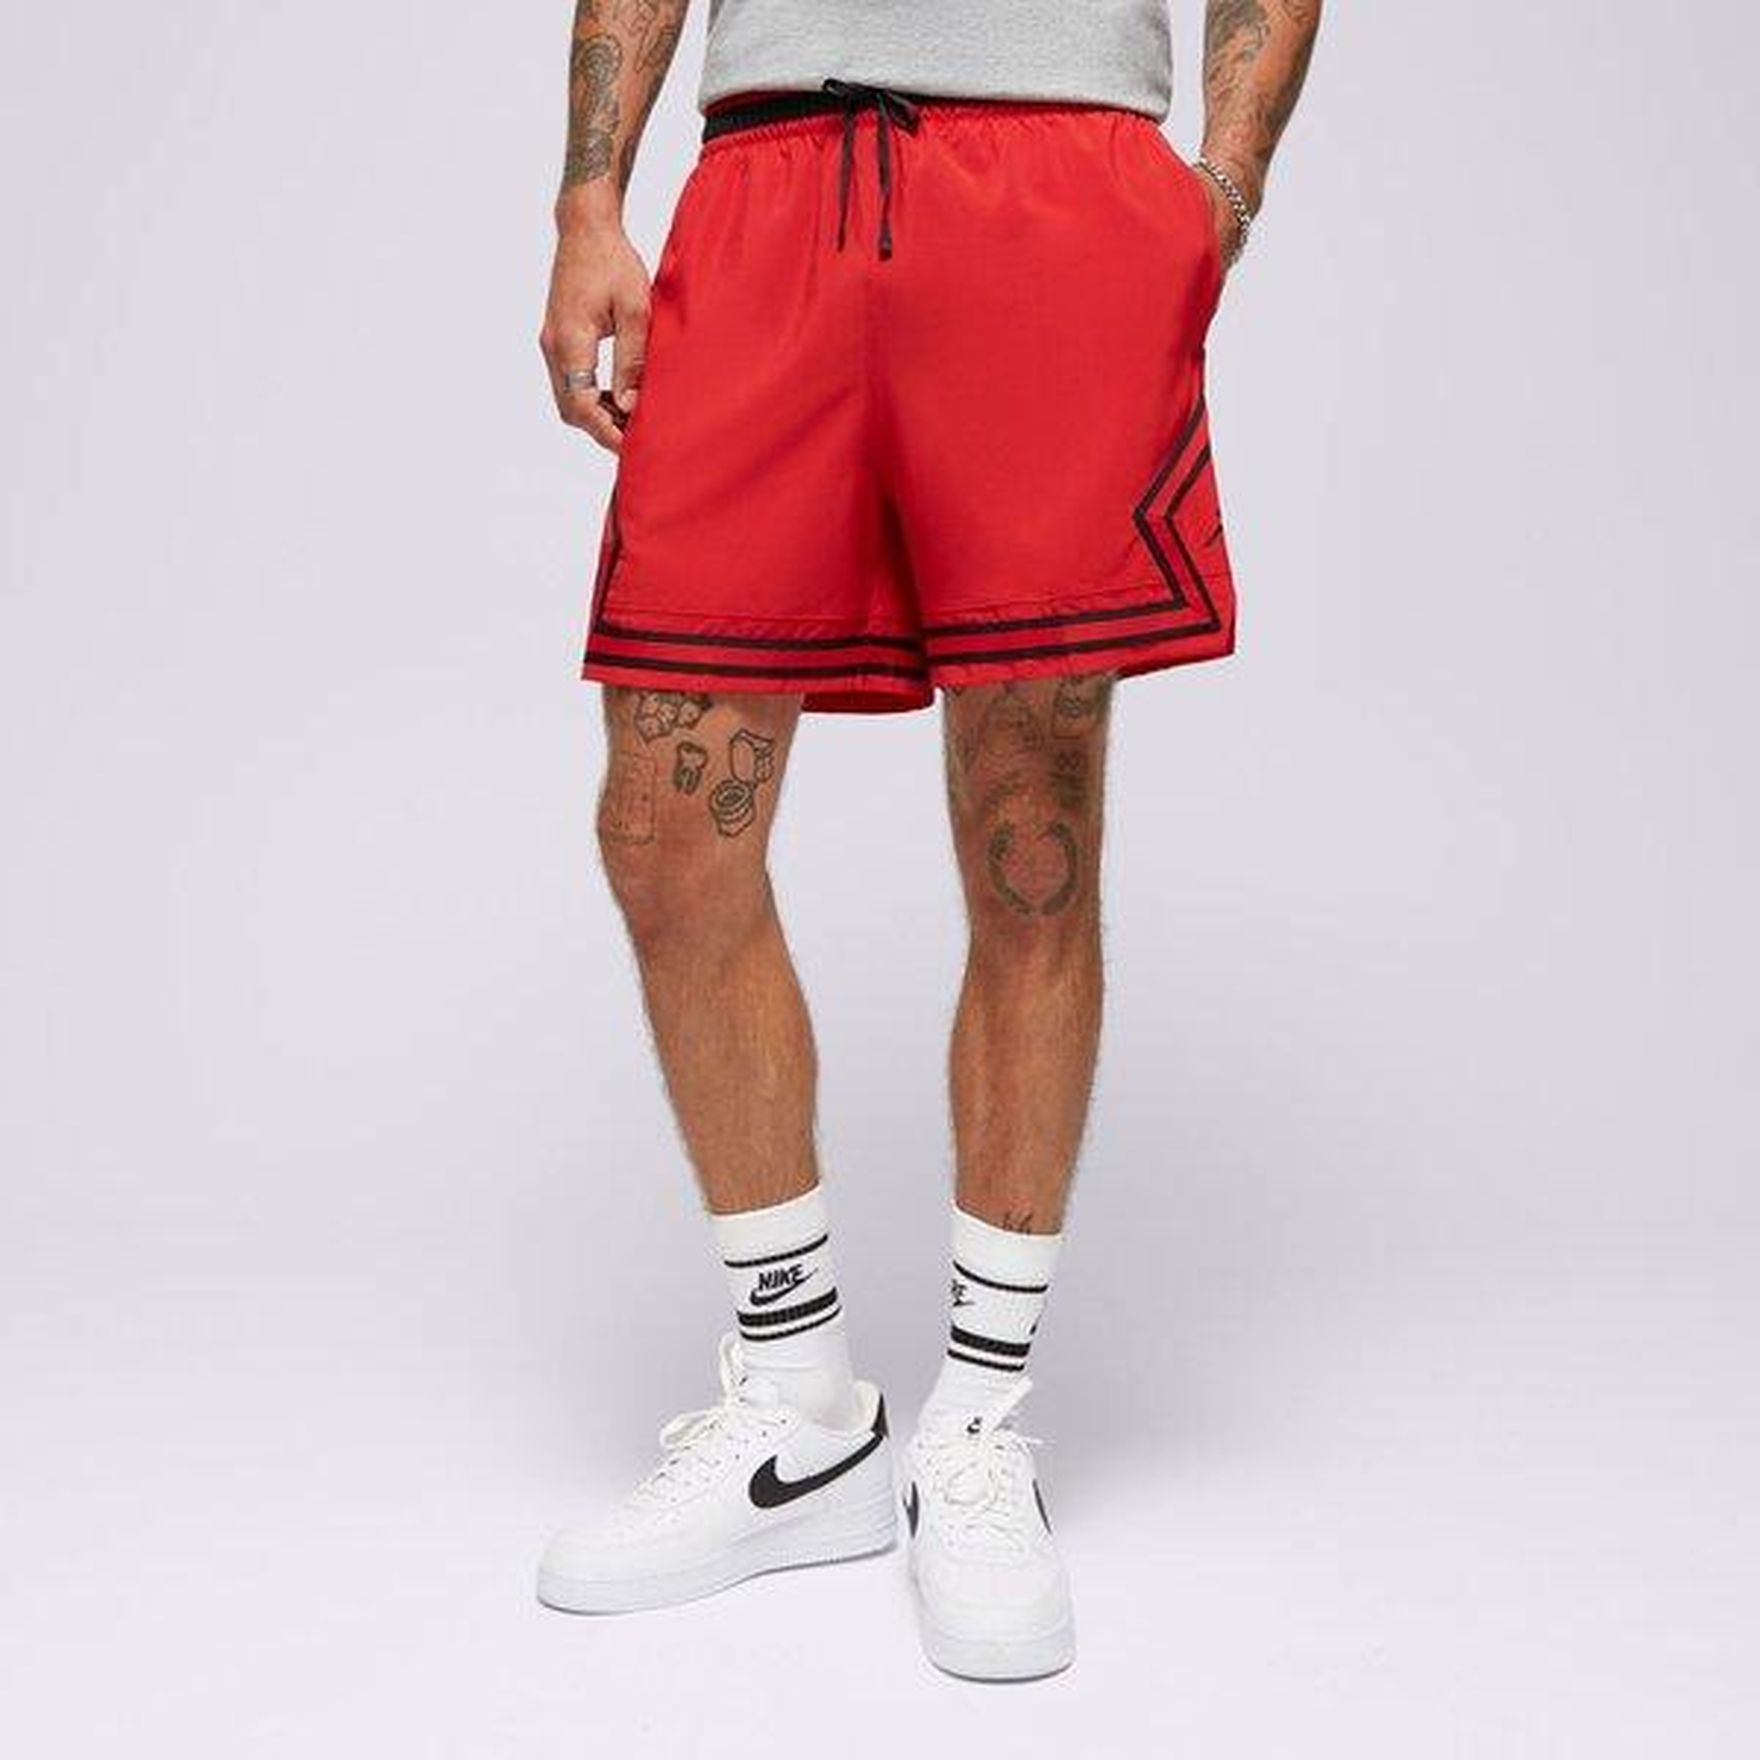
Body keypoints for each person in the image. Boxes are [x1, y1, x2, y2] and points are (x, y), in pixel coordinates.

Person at [534, 0, 1320, 1681]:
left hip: (1055, 193)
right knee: (664, 825)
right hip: (767, 189)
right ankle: (800, 1407)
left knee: (1034, 824)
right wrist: (589, 200)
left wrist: (1225, 189)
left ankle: (978, 1421)